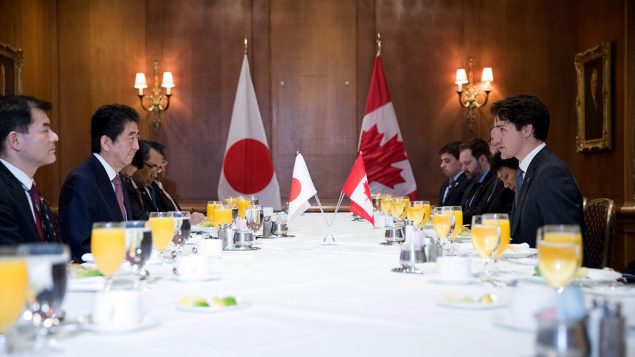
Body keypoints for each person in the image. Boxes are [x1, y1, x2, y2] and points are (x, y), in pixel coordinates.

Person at [490, 94, 584, 247]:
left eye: (502, 129)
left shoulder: (551, 173)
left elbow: (564, 244)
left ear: (526, 130)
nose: (496, 140)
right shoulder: (525, 171)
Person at [59, 104, 140, 261]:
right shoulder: (81, 181)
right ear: (106, 143)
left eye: (137, 137)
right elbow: (81, 246)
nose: (136, 146)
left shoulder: (117, 179)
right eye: (131, 137)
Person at [0, 96, 59, 245]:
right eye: (45, 130)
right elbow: (12, 260)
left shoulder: (29, 190)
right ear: (15, 140)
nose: (55, 137)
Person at [458, 139, 509, 223]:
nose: (463, 169)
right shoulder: (470, 182)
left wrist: (451, 216)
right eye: (461, 164)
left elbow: (482, 216)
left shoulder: (498, 182)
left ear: (482, 159)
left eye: (467, 163)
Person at [438, 141, 469, 206]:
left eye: (447, 161)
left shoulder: (468, 182)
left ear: (461, 160)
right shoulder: (445, 185)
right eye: (442, 161)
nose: (442, 165)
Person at [585, 66, 603, 140]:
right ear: (590, 83)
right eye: (594, 82)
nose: (595, 85)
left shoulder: (601, 101)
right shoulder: (586, 103)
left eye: (597, 82)